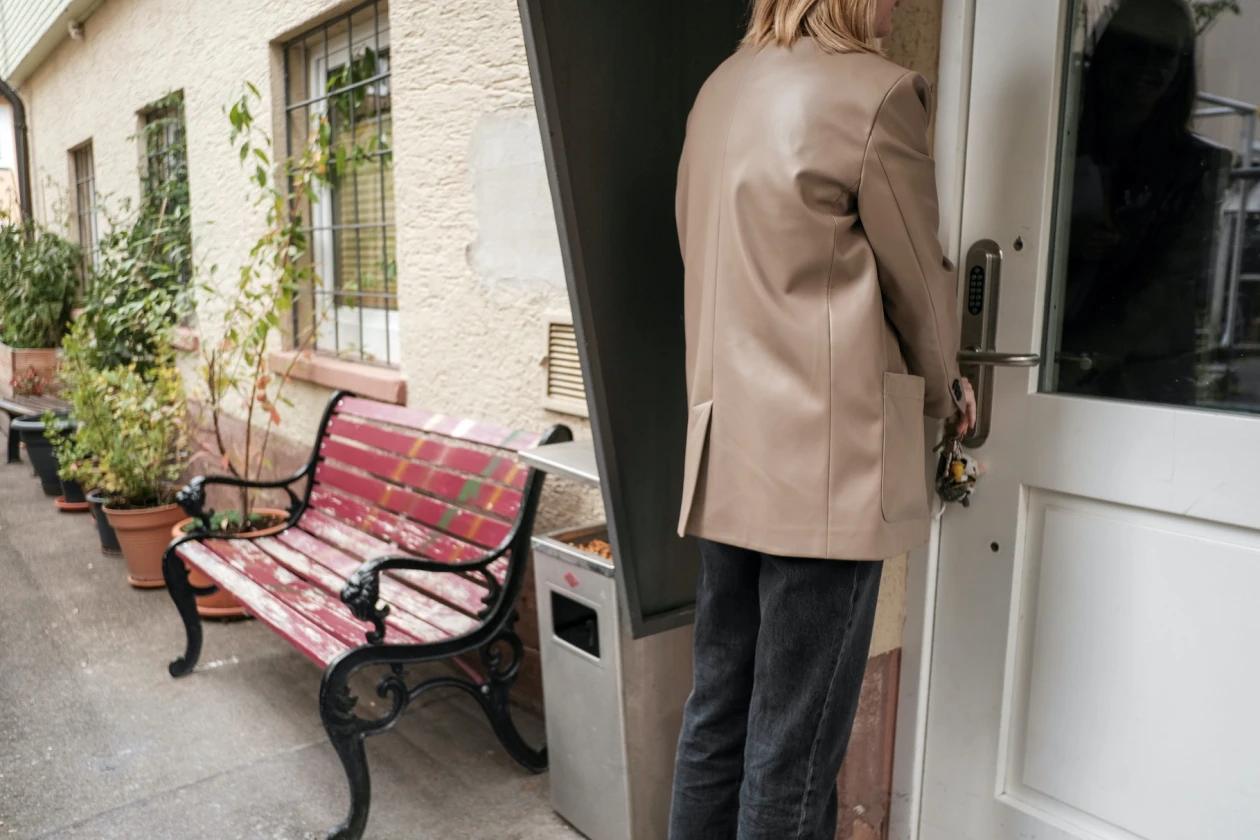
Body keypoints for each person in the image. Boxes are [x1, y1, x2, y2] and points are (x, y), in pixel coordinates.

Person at [669, 0, 976, 838]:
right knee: (793, 754)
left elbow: (702, 254)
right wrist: (949, 389)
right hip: (827, 475)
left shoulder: (720, 90)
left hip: (727, 455)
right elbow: (920, 281)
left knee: (716, 719)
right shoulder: (879, 96)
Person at [1058, 0, 1229, 406]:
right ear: (1108, 51)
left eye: (1165, 52)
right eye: (1134, 47)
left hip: (1142, 393)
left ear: (1180, 66)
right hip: (1041, 364)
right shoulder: (1058, 144)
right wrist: (1064, 243)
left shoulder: (1196, 169)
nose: (1147, 65)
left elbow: (1167, 284)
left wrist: (1074, 361)